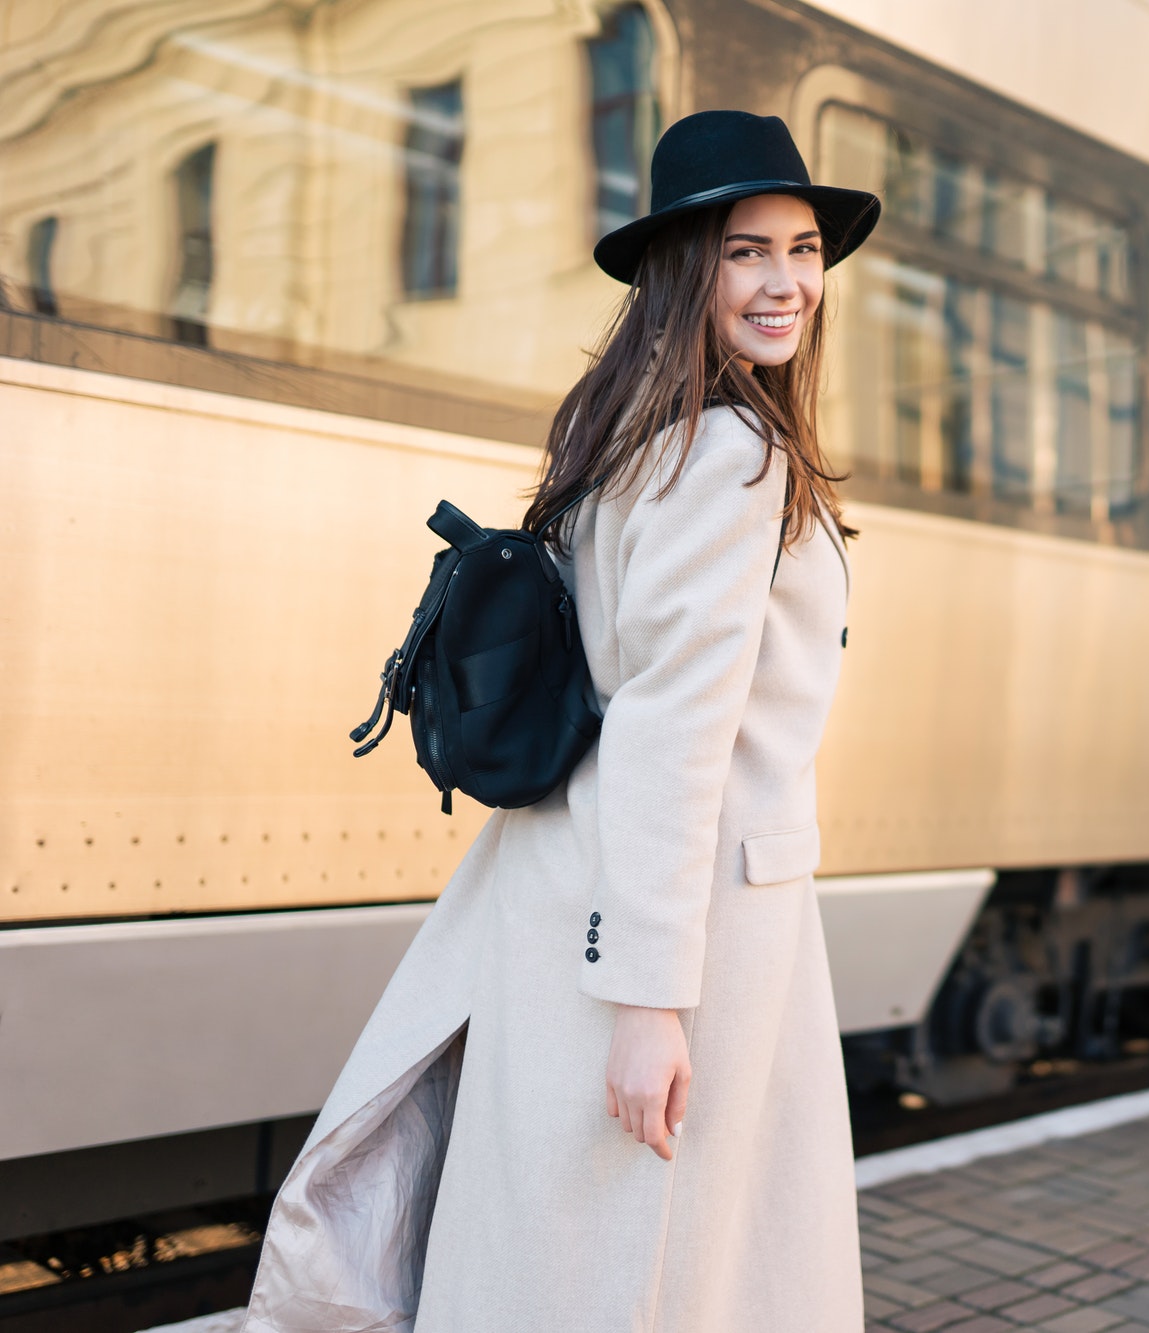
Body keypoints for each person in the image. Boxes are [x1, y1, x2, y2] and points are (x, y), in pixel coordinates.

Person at [241, 110, 880, 1332]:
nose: (787, 281)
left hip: (573, 889)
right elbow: (670, 725)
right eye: (746, 251)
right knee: (657, 1276)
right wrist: (649, 1002)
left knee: (557, 1260)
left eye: (802, 249)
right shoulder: (731, 455)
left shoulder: (631, 430)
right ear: (684, 266)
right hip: (684, 933)